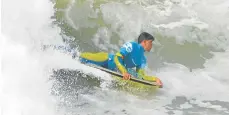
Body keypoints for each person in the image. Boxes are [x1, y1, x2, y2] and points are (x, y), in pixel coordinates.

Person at [79, 32, 162, 86]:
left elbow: (141, 76)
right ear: (144, 42)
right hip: (105, 60)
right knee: (80, 58)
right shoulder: (131, 45)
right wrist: (124, 72)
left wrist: (155, 79)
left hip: (113, 69)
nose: (151, 45)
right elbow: (117, 57)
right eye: (150, 42)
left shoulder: (143, 60)